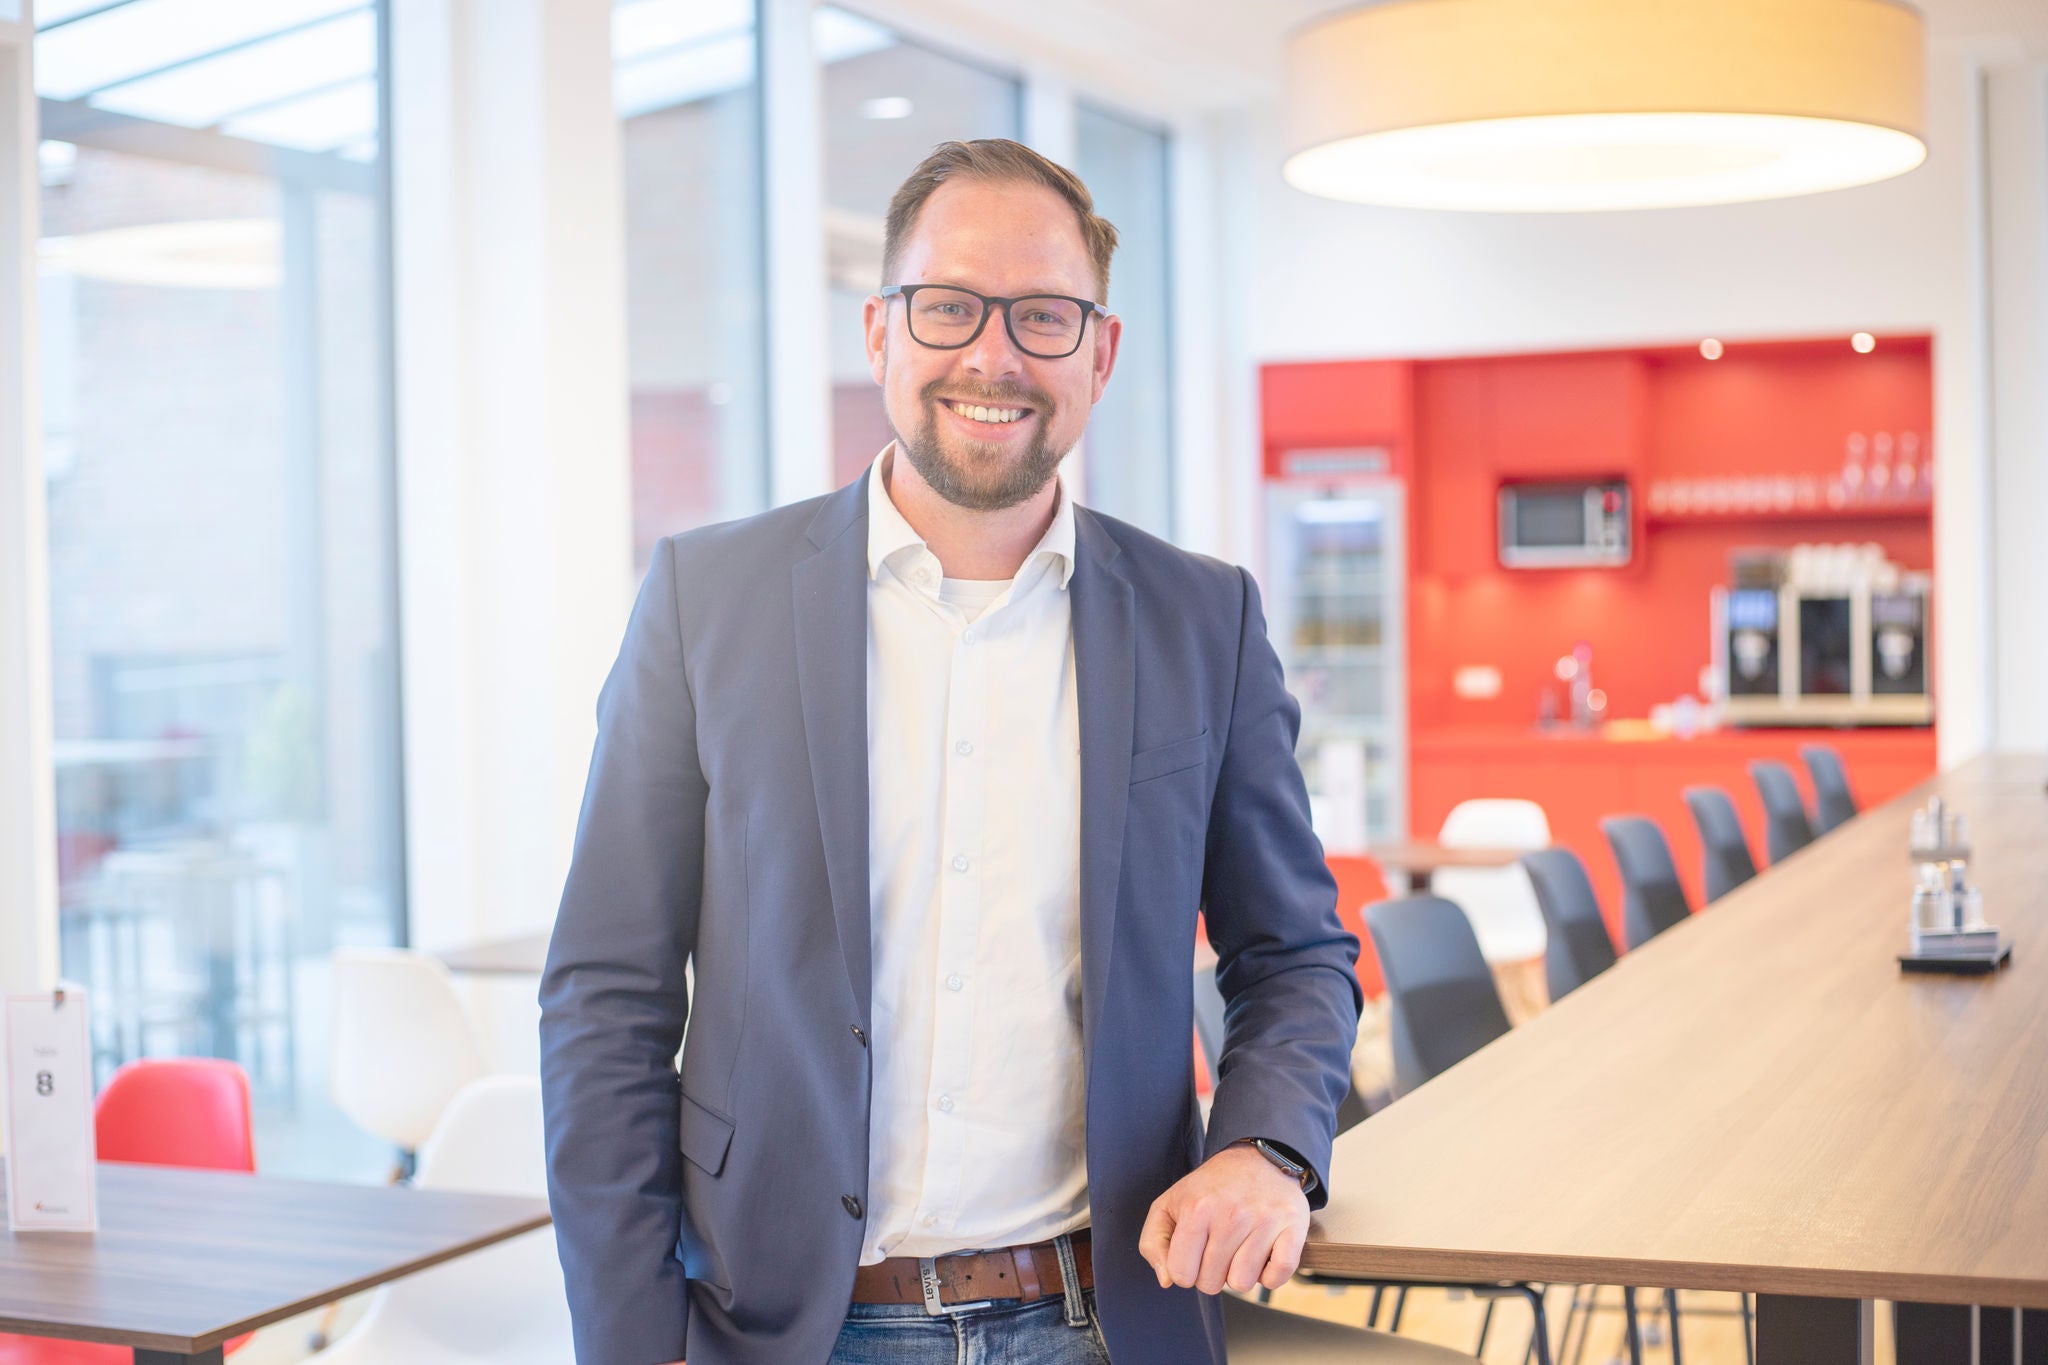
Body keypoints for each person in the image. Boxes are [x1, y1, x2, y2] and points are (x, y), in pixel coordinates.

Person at [539, 138, 1360, 1365]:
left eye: (1041, 315)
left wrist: (1266, 1145)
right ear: (877, 333)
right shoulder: (707, 602)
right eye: (946, 308)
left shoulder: (1206, 622)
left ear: (1100, 351)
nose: (992, 355)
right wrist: (629, 1336)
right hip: (785, 1328)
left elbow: (1292, 951)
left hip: (1101, 1314)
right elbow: (606, 998)